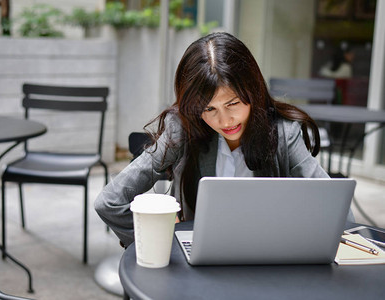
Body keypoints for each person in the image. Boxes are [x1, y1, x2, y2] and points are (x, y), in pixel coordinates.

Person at [95, 32, 354, 247]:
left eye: (233, 103)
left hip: (267, 265)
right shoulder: (182, 129)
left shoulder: (284, 134)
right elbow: (110, 202)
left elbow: (337, 213)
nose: (226, 121)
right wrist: (161, 243)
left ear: (253, 92)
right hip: (198, 270)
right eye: (209, 109)